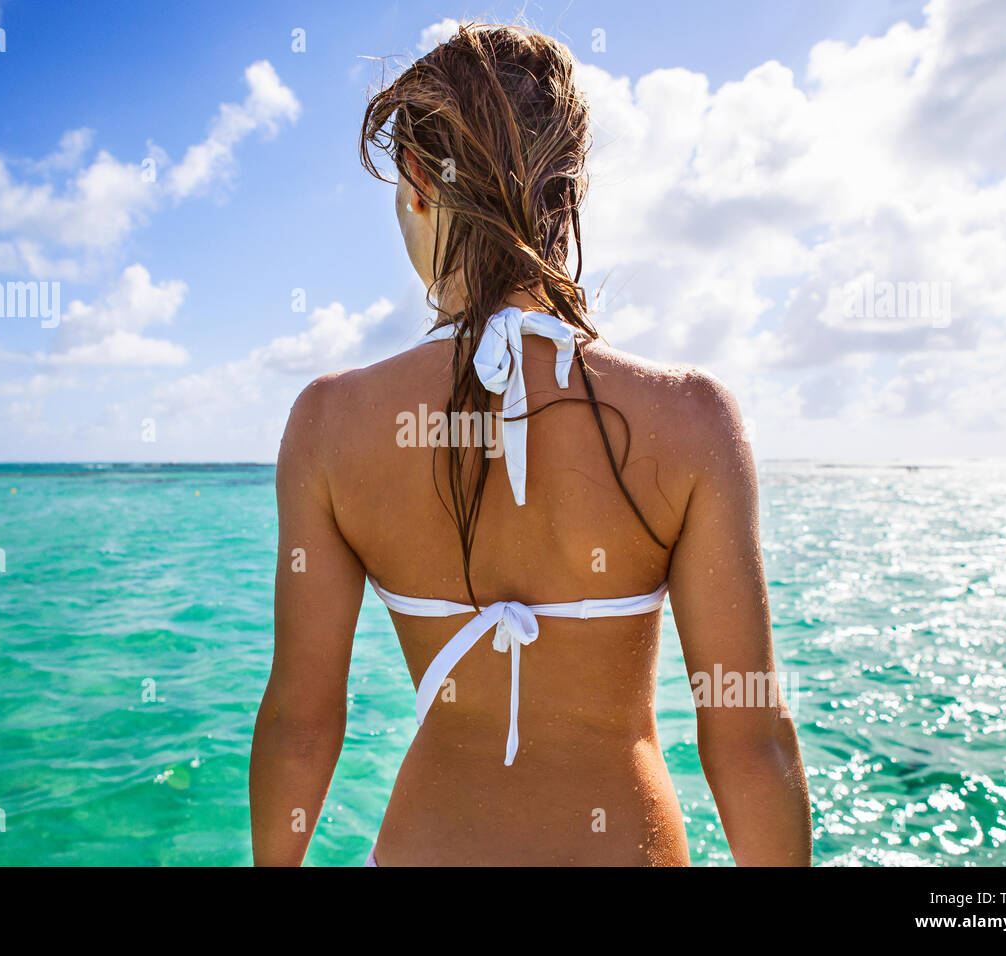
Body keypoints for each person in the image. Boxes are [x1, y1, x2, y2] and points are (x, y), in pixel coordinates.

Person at [250, 23, 811, 866]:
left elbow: (300, 723)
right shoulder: (691, 420)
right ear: (568, 193)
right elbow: (749, 741)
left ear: (416, 184)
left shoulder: (330, 424)